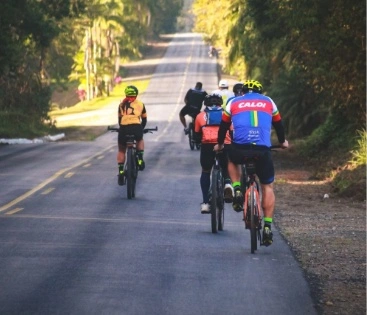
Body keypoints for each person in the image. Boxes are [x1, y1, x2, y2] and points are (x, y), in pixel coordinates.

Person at [214, 80, 289, 246]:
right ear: (260, 91)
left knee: (232, 161)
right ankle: (268, 226)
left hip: (240, 148)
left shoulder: (233, 101)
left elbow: (224, 126)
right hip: (262, 150)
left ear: (243, 92)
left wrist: (220, 144)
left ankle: (238, 189)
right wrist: (283, 141)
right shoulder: (269, 101)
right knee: (267, 186)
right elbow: (279, 124)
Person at [194, 94, 233, 214]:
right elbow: (232, 132)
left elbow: (196, 135)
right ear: (221, 104)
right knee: (227, 164)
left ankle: (205, 203)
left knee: (206, 170)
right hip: (224, 144)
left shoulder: (200, 116)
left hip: (208, 145)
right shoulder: (226, 116)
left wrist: (199, 141)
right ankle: (227, 183)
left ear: (205, 104)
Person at [117, 85, 147, 186]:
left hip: (124, 129)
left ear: (126, 94)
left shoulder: (121, 105)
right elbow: (144, 120)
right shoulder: (141, 104)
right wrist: (141, 129)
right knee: (140, 140)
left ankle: (121, 172)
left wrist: (122, 128)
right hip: (136, 127)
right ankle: (140, 159)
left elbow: (120, 120)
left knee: (121, 150)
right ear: (136, 95)